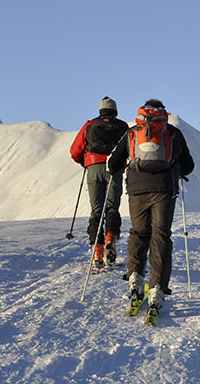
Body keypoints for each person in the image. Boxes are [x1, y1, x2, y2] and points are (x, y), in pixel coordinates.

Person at [107, 99, 194, 318]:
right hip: (164, 189)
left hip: (137, 189)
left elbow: (113, 163)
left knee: (139, 233)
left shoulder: (132, 133)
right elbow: (189, 165)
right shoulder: (172, 133)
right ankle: (157, 289)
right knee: (161, 236)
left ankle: (135, 280)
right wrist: (176, 168)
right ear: (163, 113)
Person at [70, 96, 129, 269]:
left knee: (96, 210)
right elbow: (129, 149)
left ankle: (98, 250)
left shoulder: (90, 125)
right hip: (114, 170)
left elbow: (75, 151)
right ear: (115, 110)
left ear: (100, 110)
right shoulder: (123, 126)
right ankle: (111, 238)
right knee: (112, 207)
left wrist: (87, 162)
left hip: (93, 168)